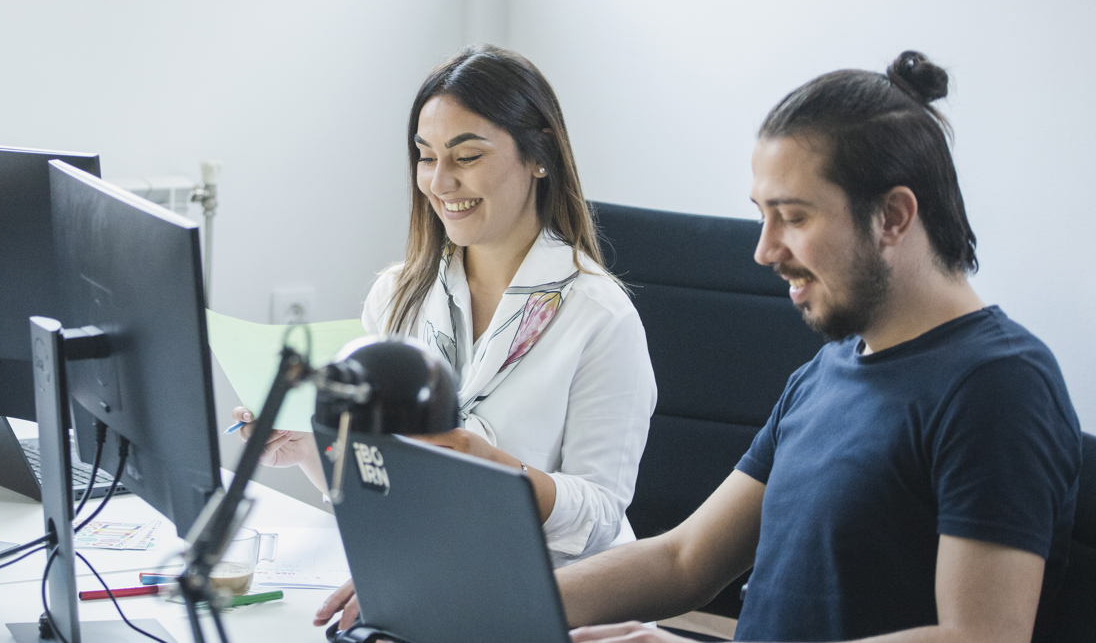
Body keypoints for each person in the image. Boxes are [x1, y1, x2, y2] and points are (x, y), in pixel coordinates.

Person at [558, 51, 1084, 643]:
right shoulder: (825, 372)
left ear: (892, 216)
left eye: (793, 218)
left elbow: (981, 636)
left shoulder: (1000, 386)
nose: (764, 250)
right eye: (762, 216)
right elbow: (685, 560)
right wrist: (514, 595)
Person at [232, 45, 658, 629]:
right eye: (426, 156)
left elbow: (601, 515)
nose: (441, 181)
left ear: (539, 156)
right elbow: (384, 493)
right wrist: (308, 445)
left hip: (559, 603)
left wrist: (496, 473)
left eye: (467, 155)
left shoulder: (599, 316)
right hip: (428, 584)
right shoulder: (398, 295)